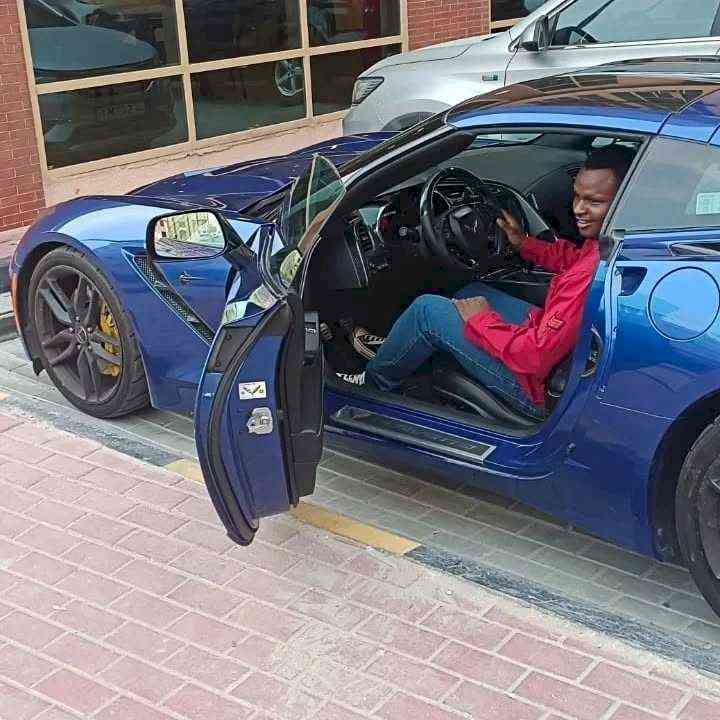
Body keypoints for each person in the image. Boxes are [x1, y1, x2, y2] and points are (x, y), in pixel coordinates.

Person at [342, 145, 634, 420]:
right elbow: (574, 259)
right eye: (577, 196)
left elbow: (534, 358)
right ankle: (400, 347)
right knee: (472, 291)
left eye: (594, 202)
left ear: (625, 202)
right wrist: (524, 243)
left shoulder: (588, 279)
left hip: (538, 388)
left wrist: (481, 320)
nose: (579, 209)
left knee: (426, 311)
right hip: (559, 351)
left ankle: (370, 387)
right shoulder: (609, 243)